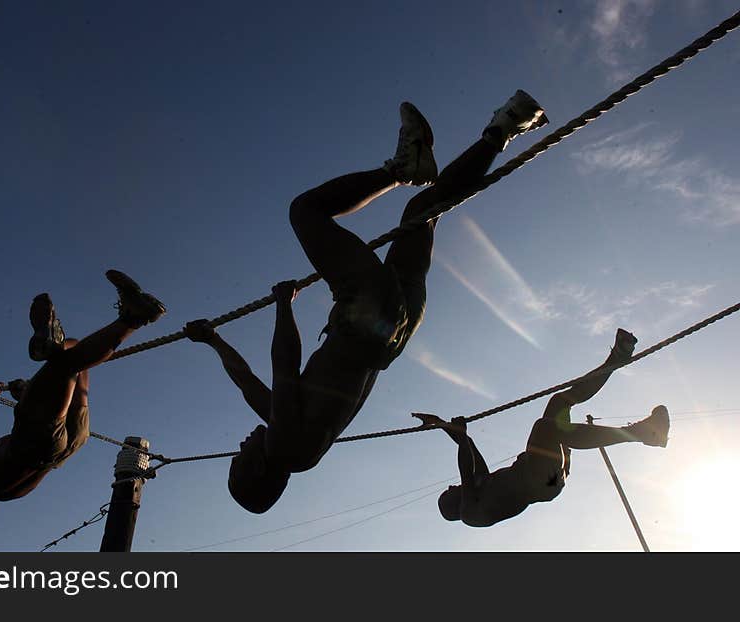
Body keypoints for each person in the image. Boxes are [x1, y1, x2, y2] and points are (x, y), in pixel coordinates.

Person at [184, 92, 550, 513]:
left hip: (393, 332)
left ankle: (504, 128)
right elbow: (283, 364)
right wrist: (284, 304)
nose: (239, 448)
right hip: (363, 321)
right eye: (237, 462)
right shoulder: (283, 447)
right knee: (306, 211)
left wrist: (212, 341)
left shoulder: (295, 443)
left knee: (424, 210)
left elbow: (247, 383)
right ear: (254, 473)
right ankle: (400, 169)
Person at [0, 270, 166, 515]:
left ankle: (62, 345)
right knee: (64, 365)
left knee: (74, 361)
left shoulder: (7, 493)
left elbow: (45, 462)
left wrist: (34, 396)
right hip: (32, 442)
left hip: (66, 445)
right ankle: (134, 317)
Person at [415, 328, 670, 527]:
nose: (450, 488)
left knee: (559, 402)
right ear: (452, 508)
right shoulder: (470, 513)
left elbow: (468, 446)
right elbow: (464, 462)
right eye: (446, 495)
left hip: (547, 472)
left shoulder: (481, 483)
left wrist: (440, 424)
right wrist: (458, 437)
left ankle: (617, 358)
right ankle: (642, 433)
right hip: (540, 480)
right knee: (544, 429)